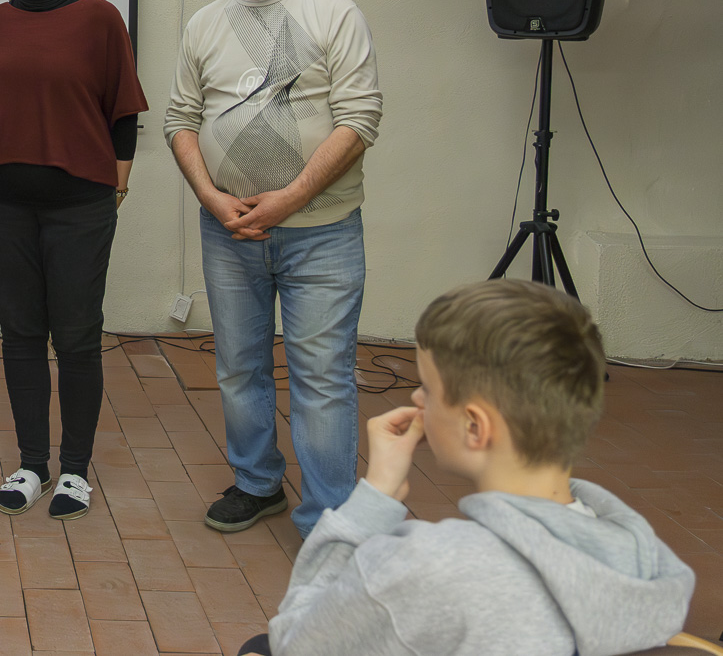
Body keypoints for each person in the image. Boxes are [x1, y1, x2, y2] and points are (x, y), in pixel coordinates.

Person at [240, 280, 695, 656]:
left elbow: (296, 641)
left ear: (475, 426)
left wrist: (371, 500)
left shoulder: (432, 566)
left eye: (428, 388)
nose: (416, 399)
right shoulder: (637, 552)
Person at [163, 0, 383, 538]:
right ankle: (257, 484)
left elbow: (360, 118)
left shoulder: (333, 13)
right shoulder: (205, 24)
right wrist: (209, 196)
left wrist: (292, 197)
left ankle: (328, 517)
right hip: (228, 232)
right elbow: (180, 119)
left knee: (323, 377)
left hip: (322, 233)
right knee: (238, 367)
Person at [0, 0, 148, 520]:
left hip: (80, 207)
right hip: (6, 204)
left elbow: (123, 112)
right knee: (19, 333)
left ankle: (74, 471)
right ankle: (32, 465)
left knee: (76, 336)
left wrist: (115, 188)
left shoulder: (100, 18)